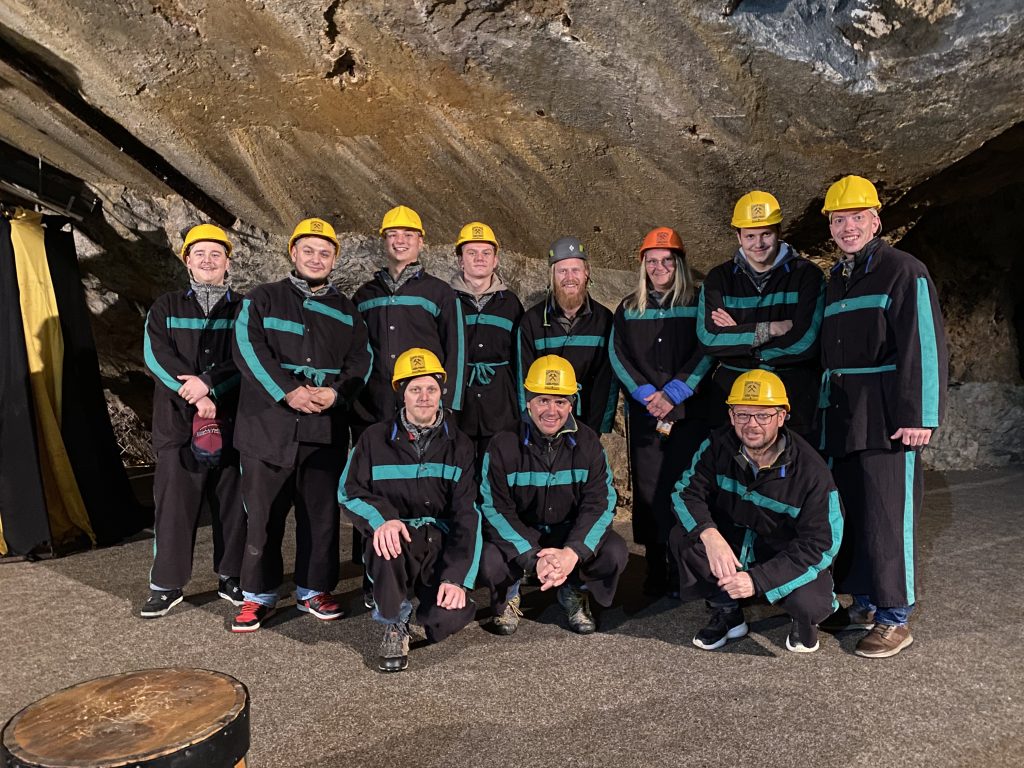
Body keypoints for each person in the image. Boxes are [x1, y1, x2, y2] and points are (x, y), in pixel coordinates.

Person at [817, 175, 948, 658]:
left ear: (876, 220)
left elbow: (924, 345)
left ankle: (896, 616)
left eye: (856, 217)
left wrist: (921, 416)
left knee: (891, 515)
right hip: (844, 414)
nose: (847, 227)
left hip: (888, 414)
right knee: (856, 512)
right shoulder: (838, 278)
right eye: (838, 219)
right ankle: (868, 601)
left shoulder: (903, 270)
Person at [230, 217, 371, 632]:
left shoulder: (347, 312)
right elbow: (247, 348)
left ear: (334, 259)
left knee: (321, 514)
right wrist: (287, 390)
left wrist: (337, 394)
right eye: (308, 250)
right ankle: (258, 595)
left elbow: (361, 361)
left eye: (324, 252)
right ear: (293, 253)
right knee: (262, 515)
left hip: (323, 429)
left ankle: (315, 588)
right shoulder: (262, 299)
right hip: (267, 429)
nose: (316, 258)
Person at [669, 371, 843, 653]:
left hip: (781, 553)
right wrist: (710, 535)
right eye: (742, 415)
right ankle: (728, 613)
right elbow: (685, 492)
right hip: (735, 544)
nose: (751, 425)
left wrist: (758, 580)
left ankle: (804, 621)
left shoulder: (811, 471)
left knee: (810, 602)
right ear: (730, 415)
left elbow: (822, 543)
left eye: (763, 416)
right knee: (685, 537)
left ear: (782, 416)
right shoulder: (717, 445)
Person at [351, 205, 467, 602]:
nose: (399, 241)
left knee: (424, 485)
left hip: (422, 405)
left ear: (421, 242)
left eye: (408, 235)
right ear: (384, 241)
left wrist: (446, 405)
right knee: (371, 486)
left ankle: (432, 565)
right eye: (392, 235)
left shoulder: (439, 293)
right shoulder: (364, 295)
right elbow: (355, 350)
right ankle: (374, 573)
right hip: (374, 408)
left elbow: (456, 351)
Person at [339, 348, 479, 673]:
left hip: (437, 542)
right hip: (396, 539)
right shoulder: (374, 439)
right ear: (402, 393)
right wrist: (382, 519)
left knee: (446, 621)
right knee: (385, 543)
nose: (424, 397)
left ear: (441, 391)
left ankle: (428, 595)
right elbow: (348, 491)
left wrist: (457, 579)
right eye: (415, 389)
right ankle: (393, 620)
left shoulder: (460, 445)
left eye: (431, 388)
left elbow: (467, 515)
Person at [140, 224, 246, 618]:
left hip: (232, 423)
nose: (208, 261)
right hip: (177, 425)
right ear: (187, 260)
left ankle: (232, 576)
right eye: (199, 254)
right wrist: (194, 393)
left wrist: (210, 386)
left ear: (227, 263)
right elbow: (155, 355)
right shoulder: (165, 307)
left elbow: (248, 357)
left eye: (216, 255)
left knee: (234, 504)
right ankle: (166, 585)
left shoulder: (243, 309)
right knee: (173, 506)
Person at [478, 355, 626, 635]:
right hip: (523, 534)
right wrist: (533, 556)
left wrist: (572, 553)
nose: (551, 410)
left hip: (568, 532)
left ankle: (574, 591)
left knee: (614, 552)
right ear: (528, 401)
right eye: (543, 400)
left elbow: (601, 504)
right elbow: (494, 508)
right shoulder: (502, 444)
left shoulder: (588, 443)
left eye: (560, 401)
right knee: (489, 557)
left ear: (571, 404)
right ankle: (509, 595)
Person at [609, 227, 714, 595]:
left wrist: (674, 393)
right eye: (652, 261)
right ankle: (657, 569)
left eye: (667, 260)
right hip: (645, 416)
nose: (659, 267)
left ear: (679, 263)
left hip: (689, 414)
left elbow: (707, 350)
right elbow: (617, 355)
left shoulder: (698, 301)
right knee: (650, 490)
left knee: (688, 486)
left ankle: (693, 566)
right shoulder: (628, 307)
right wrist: (646, 395)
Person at [697, 191, 824, 439]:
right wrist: (768, 330)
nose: (759, 243)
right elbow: (709, 340)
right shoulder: (718, 280)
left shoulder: (808, 276)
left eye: (766, 234)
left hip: (792, 399)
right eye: (750, 236)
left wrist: (740, 340)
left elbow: (806, 341)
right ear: (738, 236)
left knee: (792, 473)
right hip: (731, 398)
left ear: (778, 232)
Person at [516, 236, 617, 434]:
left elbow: (606, 381)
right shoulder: (532, 321)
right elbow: (523, 378)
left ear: (586, 273)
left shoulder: (604, 320)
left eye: (575, 270)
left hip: (587, 419)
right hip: (544, 421)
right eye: (562, 271)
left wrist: (596, 430)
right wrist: (528, 423)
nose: (569, 277)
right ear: (552, 276)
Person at [449, 221, 524, 478]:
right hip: (460, 403)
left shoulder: (511, 303)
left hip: (500, 403)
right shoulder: (446, 300)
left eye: (486, 253)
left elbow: (519, 357)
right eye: (471, 253)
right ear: (460, 260)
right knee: (460, 471)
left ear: (495, 260)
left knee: (497, 471)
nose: (479, 259)